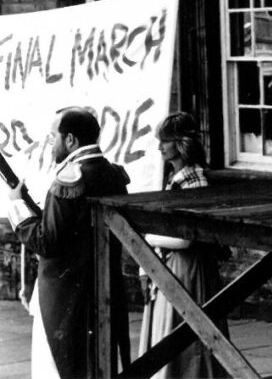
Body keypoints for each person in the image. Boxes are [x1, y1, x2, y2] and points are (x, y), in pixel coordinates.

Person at [7, 106, 130, 379]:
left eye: (54, 137)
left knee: (56, 367)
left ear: (71, 140)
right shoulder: (113, 174)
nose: (51, 144)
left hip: (64, 292)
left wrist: (17, 208)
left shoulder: (69, 178)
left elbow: (48, 242)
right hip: (104, 287)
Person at [139, 111, 227, 379]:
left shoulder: (194, 180)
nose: (160, 147)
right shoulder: (174, 177)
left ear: (179, 143)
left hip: (188, 267)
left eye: (164, 141)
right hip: (170, 263)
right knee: (169, 330)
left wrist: (146, 237)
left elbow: (186, 237)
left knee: (185, 332)